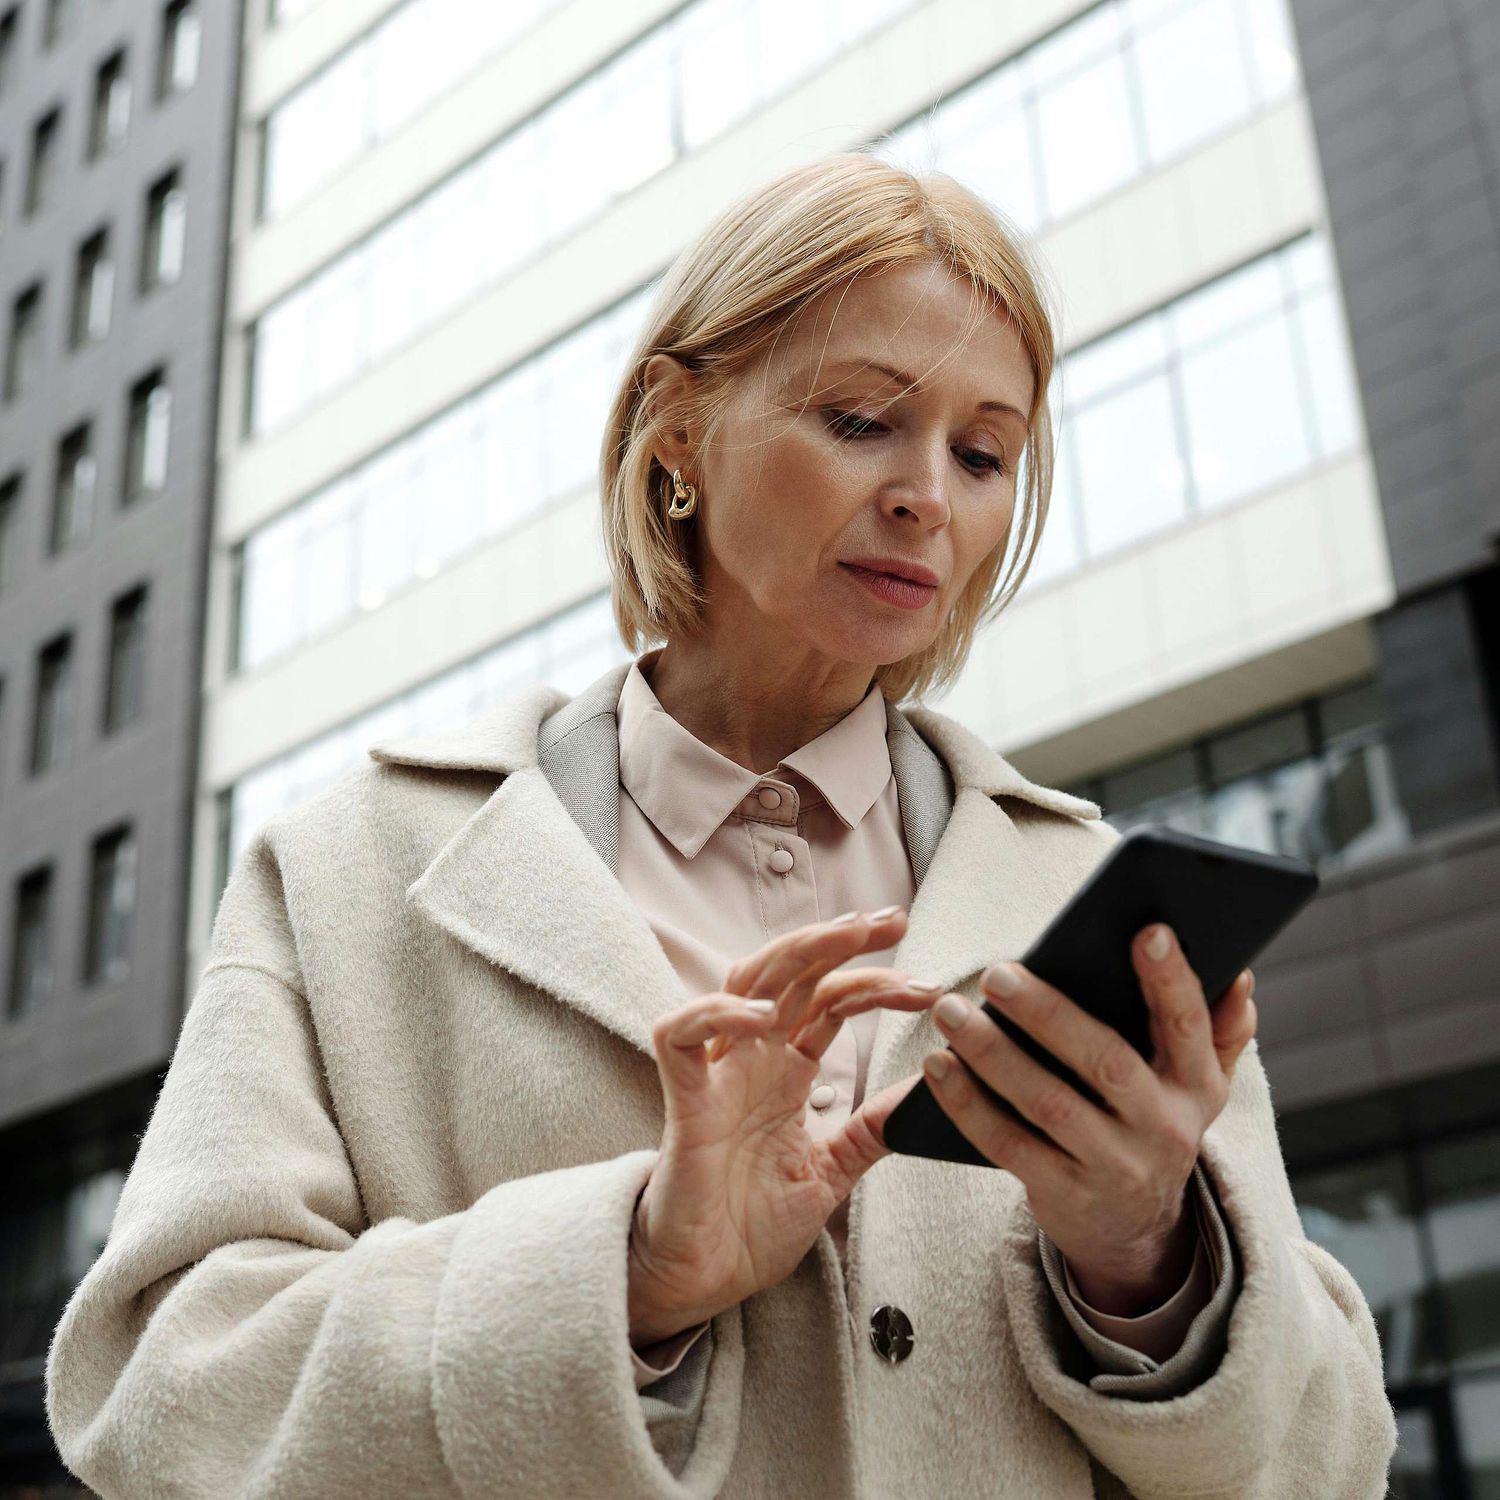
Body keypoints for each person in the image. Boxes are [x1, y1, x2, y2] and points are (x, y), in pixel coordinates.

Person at [44, 152, 1396, 1497]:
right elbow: (157, 1392)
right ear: (677, 433)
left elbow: (1333, 1463)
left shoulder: (1087, 896)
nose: (931, 494)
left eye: (985, 453)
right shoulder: (351, 868)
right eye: (864, 421)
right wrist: (629, 1270)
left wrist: (1149, 1256)